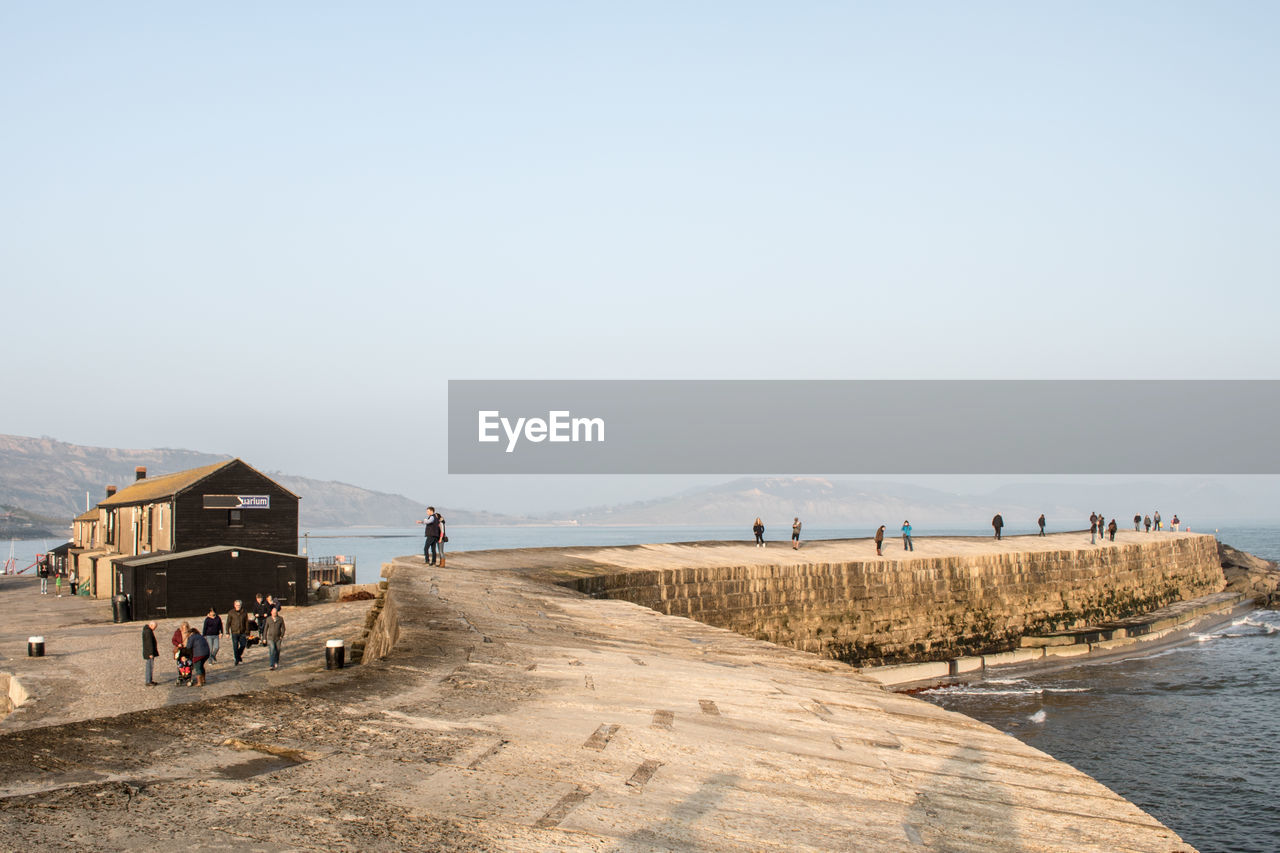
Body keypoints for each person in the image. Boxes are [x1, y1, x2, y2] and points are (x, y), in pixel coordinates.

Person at [226, 599, 250, 665]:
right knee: (235, 646)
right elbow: (228, 623)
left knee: (243, 645)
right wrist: (227, 632)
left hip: (242, 632)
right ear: (234, 605)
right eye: (237, 605)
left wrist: (247, 632)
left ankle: (237, 656)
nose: (238, 606)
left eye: (239, 605)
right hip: (234, 632)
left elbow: (246, 622)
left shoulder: (244, 612)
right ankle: (237, 660)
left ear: (241, 605)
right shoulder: (231, 612)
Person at [263, 606, 286, 670]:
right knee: (272, 649)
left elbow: (283, 628)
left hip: (278, 638)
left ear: (277, 613)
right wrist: (264, 638)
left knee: (278, 650)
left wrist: (281, 636)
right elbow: (265, 629)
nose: (274, 614)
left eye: (275, 613)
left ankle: (276, 661)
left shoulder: (280, 619)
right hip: (270, 638)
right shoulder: (268, 619)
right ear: (271, 613)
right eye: (273, 613)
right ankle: (271, 664)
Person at [142, 621, 159, 687]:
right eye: (154, 627)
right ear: (151, 625)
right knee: (149, 666)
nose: (154, 629)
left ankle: (149, 680)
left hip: (148, 652)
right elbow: (149, 643)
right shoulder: (148, 632)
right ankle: (148, 681)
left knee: (149, 666)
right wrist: (151, 653)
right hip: (149, 653)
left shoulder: (147, 630)